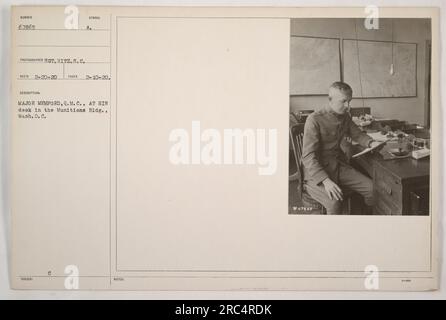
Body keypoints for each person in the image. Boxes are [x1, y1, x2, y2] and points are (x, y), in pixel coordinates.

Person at [301, 81, 382, 214]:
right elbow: (309, 157)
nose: (348, 106)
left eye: (349, 101)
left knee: (373, 189)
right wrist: (326, 181)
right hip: (316, 172)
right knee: (335, 202)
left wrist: (371, 143)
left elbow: (357, 134)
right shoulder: (314, 119)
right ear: (330, 100)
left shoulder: (345, 116)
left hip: (338, 166)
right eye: (344, 101)